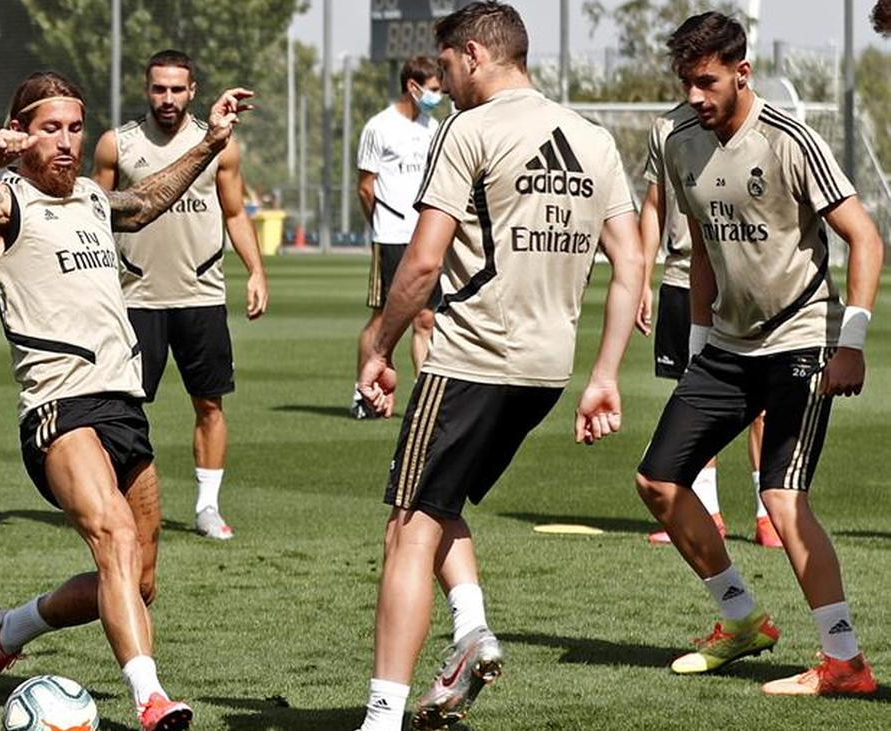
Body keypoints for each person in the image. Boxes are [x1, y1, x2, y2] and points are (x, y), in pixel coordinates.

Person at [0, 71, 252, 731]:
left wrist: (210, 143)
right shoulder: (4, 203)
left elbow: (145, 201)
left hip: (122, 406)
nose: (67, 142)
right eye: (49, 129)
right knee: (115, 538)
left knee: (137, 579)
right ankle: (150, 697)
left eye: (73, 127)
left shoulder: (93, 198)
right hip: (58, 409)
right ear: (18, 134)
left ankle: (7, 629)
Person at [352, 3, 644, 729]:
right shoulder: (592, 137)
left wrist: (378, 346)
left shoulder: (470, 129)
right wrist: (604, 373)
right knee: (442, 501)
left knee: (408, 527)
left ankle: (381, 717)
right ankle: (471, 629)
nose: (441, 83)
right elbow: (632, 261)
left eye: (445, 66)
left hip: (472, 355)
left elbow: (421, 263)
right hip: (546, 371)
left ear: (475, 55)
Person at [636, 11, 880, 696]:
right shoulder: (677, 139)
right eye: (685, 82)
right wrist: (698, 350)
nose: (694, 96)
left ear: (742, 72)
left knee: (781, 495)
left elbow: (865, 237)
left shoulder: (790, 139)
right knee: (658, 481)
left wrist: (851, 342)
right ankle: (742, 619)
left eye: (706, 82)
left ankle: (844, 662)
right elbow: (702, 248)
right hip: (727, 346)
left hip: (801, 337)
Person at [92, 50, 269, 540]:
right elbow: (93, 214)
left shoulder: (220, 145)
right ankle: (113, 503)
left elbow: (234, 213)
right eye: (158, 88)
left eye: (176, 89)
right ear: (146, 89)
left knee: (209, 404)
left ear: (192, 91)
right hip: (134, 298)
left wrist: (256, 270)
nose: (166, 98)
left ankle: (207, 507)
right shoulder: (117, 145)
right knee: (123, 408)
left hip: (201, 295)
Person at [637, 103, 780, 548]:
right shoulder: (665, 128)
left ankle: (767, 515)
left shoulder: (763, 128)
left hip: (742, 280)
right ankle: (705, 510)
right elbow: (655, 205)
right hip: (683, 278)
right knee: (695, 398)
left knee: (759, 404)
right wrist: (643, 278)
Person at [350, 56, 444, 420]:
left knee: (426, 319)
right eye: (434, 90)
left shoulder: (434, 128)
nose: (439, 96)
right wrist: (381, 225)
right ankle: (364, 394)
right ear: (413, 87)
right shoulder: (379, 127)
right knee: (381, 319)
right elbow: (365, 186)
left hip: (426, 237)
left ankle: (425, 405)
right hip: (390, 235)